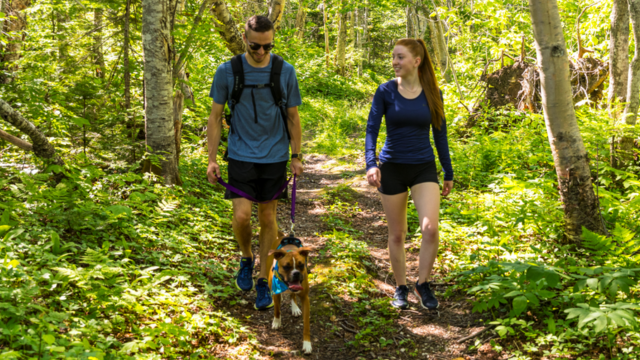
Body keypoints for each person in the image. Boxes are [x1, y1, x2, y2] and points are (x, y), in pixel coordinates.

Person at [206, 15, 304, 311]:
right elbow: (214, 117)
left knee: (267, 219)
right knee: (241, 216)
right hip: (239, 154)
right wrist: (211, 159)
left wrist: (296, 156)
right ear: (245, 40)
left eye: (267, 46)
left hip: (274, 156)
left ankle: (263, 279)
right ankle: (246, 258)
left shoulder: (284, 71)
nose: (261, 52)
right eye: (254, 47)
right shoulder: (228, 71)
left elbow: (293, 116)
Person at [365, 38, 453, 310]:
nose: (394, 62)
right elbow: (371, 129)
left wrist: (447, 170)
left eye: (400, 57)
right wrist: (371, 163)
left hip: (423, 167)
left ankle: (422, 284)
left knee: (430, 228)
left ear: (417, 61)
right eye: (393, 56)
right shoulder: (386, 91)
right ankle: (401, 286)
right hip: (392, 167)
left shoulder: (432, 92)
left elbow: (440, 134)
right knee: (397, 233)